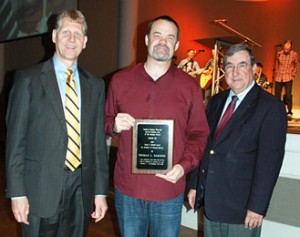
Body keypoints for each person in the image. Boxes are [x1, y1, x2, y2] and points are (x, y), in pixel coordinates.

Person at [5, 10, 109, 237]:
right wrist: (17, 194)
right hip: (39, 189)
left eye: (77, 33)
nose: (72, 39)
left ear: (85, 41)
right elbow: (15, 142)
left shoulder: (95, 85)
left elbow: (97, 144)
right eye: (66, 32)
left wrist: (100, 192)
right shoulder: (28, 79)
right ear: (54, 36)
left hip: (81, 188)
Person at [105, 15, 209, 237]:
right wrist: (113, 125)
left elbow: (199, 134)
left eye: (170, 37)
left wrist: (184, 166)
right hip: (128, 189)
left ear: (177, 45)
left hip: (168, 191)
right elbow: (104, 121)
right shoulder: (120, 81)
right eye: (157, 35)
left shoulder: (190, 87)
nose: (163, 42)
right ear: (146, 39)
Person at [188, 44, 287, 237]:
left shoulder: (270, 107)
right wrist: (195, 185)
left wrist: (257, 207)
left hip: (242, 210)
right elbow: (206, 146)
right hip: (212, 204)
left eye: (242, 65)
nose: (235, 72)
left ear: (254, 69)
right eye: (230, 66)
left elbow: (269, 164)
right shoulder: (216, 101)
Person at [274, 39, 299, 120]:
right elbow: (277, 64)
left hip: (288, 77)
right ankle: (278, 111)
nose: (286, 50)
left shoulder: (294, 54)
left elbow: (297, 64)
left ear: (291, 47)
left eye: (288, 49)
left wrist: (293, 74)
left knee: (288, 95)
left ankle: (289, 112)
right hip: (279, 77)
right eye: (285, 48)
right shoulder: (279, 54)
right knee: (277, 96)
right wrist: (277, 72)